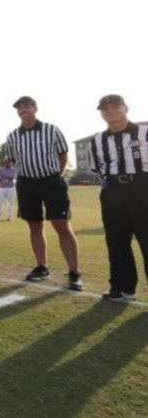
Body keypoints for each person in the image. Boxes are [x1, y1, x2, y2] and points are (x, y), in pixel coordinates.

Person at [5, 96, 83, 291]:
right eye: (20, 108)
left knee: (61, 225)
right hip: (27, 183)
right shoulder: (13, 136)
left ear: (35, 109)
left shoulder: (51, 130)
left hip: (51, 181)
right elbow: (13, 161)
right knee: (35, 226)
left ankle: (74, 272)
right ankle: (42, 267)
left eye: (27, 106)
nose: (23, 110)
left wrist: (56, 175)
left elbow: (63, 156)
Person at [89, 94, 148, 301]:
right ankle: (123, 288)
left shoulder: (144, 132)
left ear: (126, 108)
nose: (110, 111)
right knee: (116, 242)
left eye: (115, 106)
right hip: (113, 191)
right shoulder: (97, 140)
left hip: (143, 189)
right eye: (105, 109)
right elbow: (98, 168)